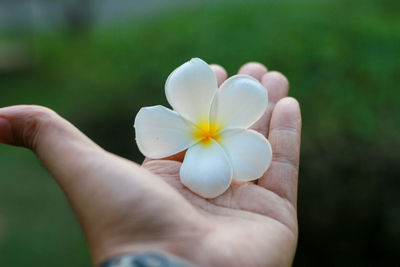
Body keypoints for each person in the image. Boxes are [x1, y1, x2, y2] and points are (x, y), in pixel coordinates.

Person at [0, 62, 301, 267]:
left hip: (212, 141)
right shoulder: (161, 126)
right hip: (201, 139)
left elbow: (251, 154)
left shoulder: (250, 143)